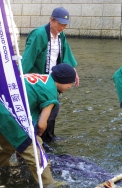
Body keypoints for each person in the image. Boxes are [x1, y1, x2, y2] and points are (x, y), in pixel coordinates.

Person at [0, 63, 76, 185]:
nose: (70, 86)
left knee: (8, 143)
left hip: (3, 103)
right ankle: (50, 184)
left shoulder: (43, 78)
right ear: (61, 80)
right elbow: (41, 124)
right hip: (7, 113)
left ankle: (3, 168)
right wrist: (37, 135)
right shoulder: (50, 92)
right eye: (69, 83)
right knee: (35, 152)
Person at [21, 7, 79, 143]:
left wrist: (72, 71)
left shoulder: (61, 35)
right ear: (51, 20)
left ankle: (49, 136)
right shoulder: (39, 34)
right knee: (46, 108)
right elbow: (28, 57)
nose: (62, 27)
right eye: (60, 23)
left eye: (65, 25)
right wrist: (20, 76)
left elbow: (65, 54)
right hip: (40, 78)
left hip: (55, 77)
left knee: (52, 107)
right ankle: (41, 138)